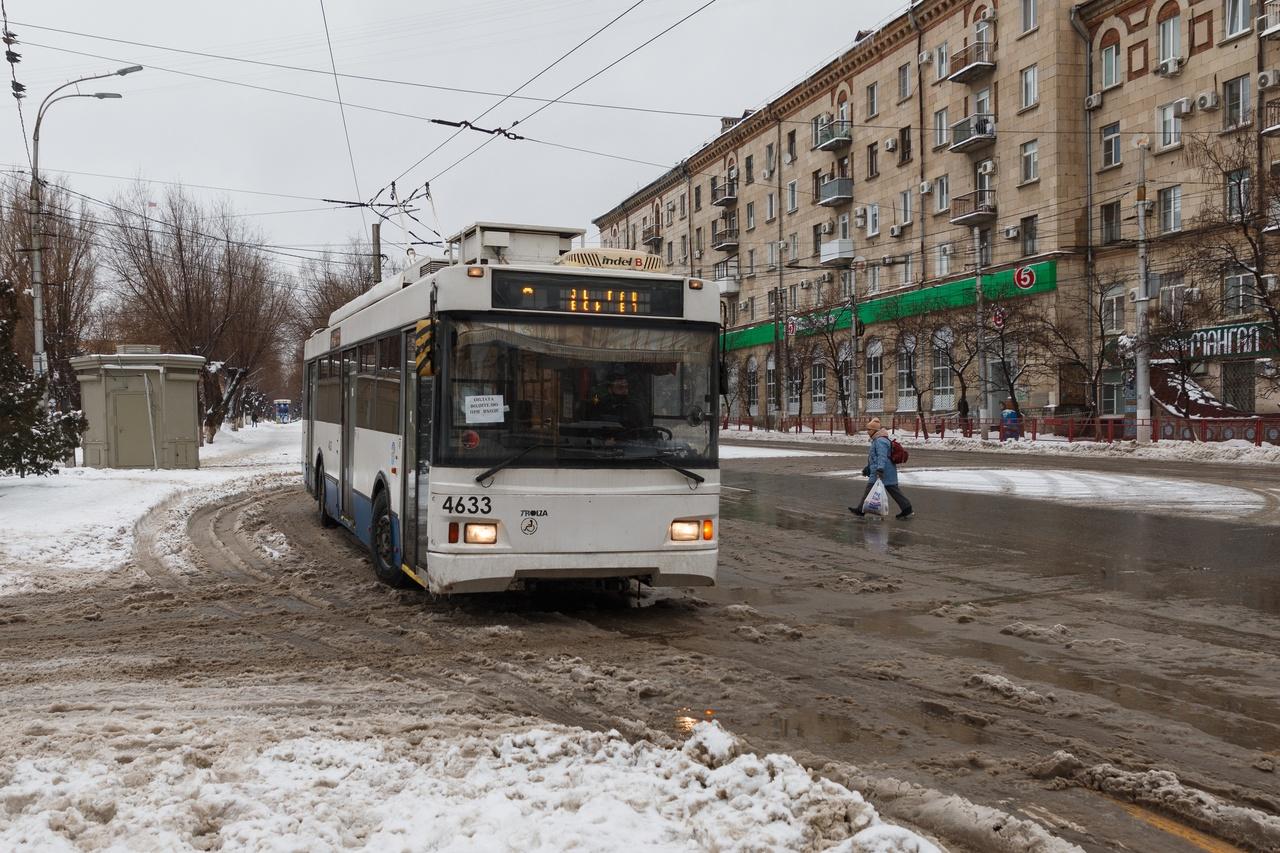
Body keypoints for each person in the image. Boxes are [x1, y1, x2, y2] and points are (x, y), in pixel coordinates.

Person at [849, 417, 913, 519]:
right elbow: (875, 457)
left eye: (869, 430)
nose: (867, 432)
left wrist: (880, 469)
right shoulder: (878, 440)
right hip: (885, 470)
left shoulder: (880, 441)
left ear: (875, 430)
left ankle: (860, 510)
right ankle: (907, 508)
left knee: (870, 489)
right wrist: (868, 467)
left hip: (882, 471)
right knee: (893, 490)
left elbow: (882, 456)